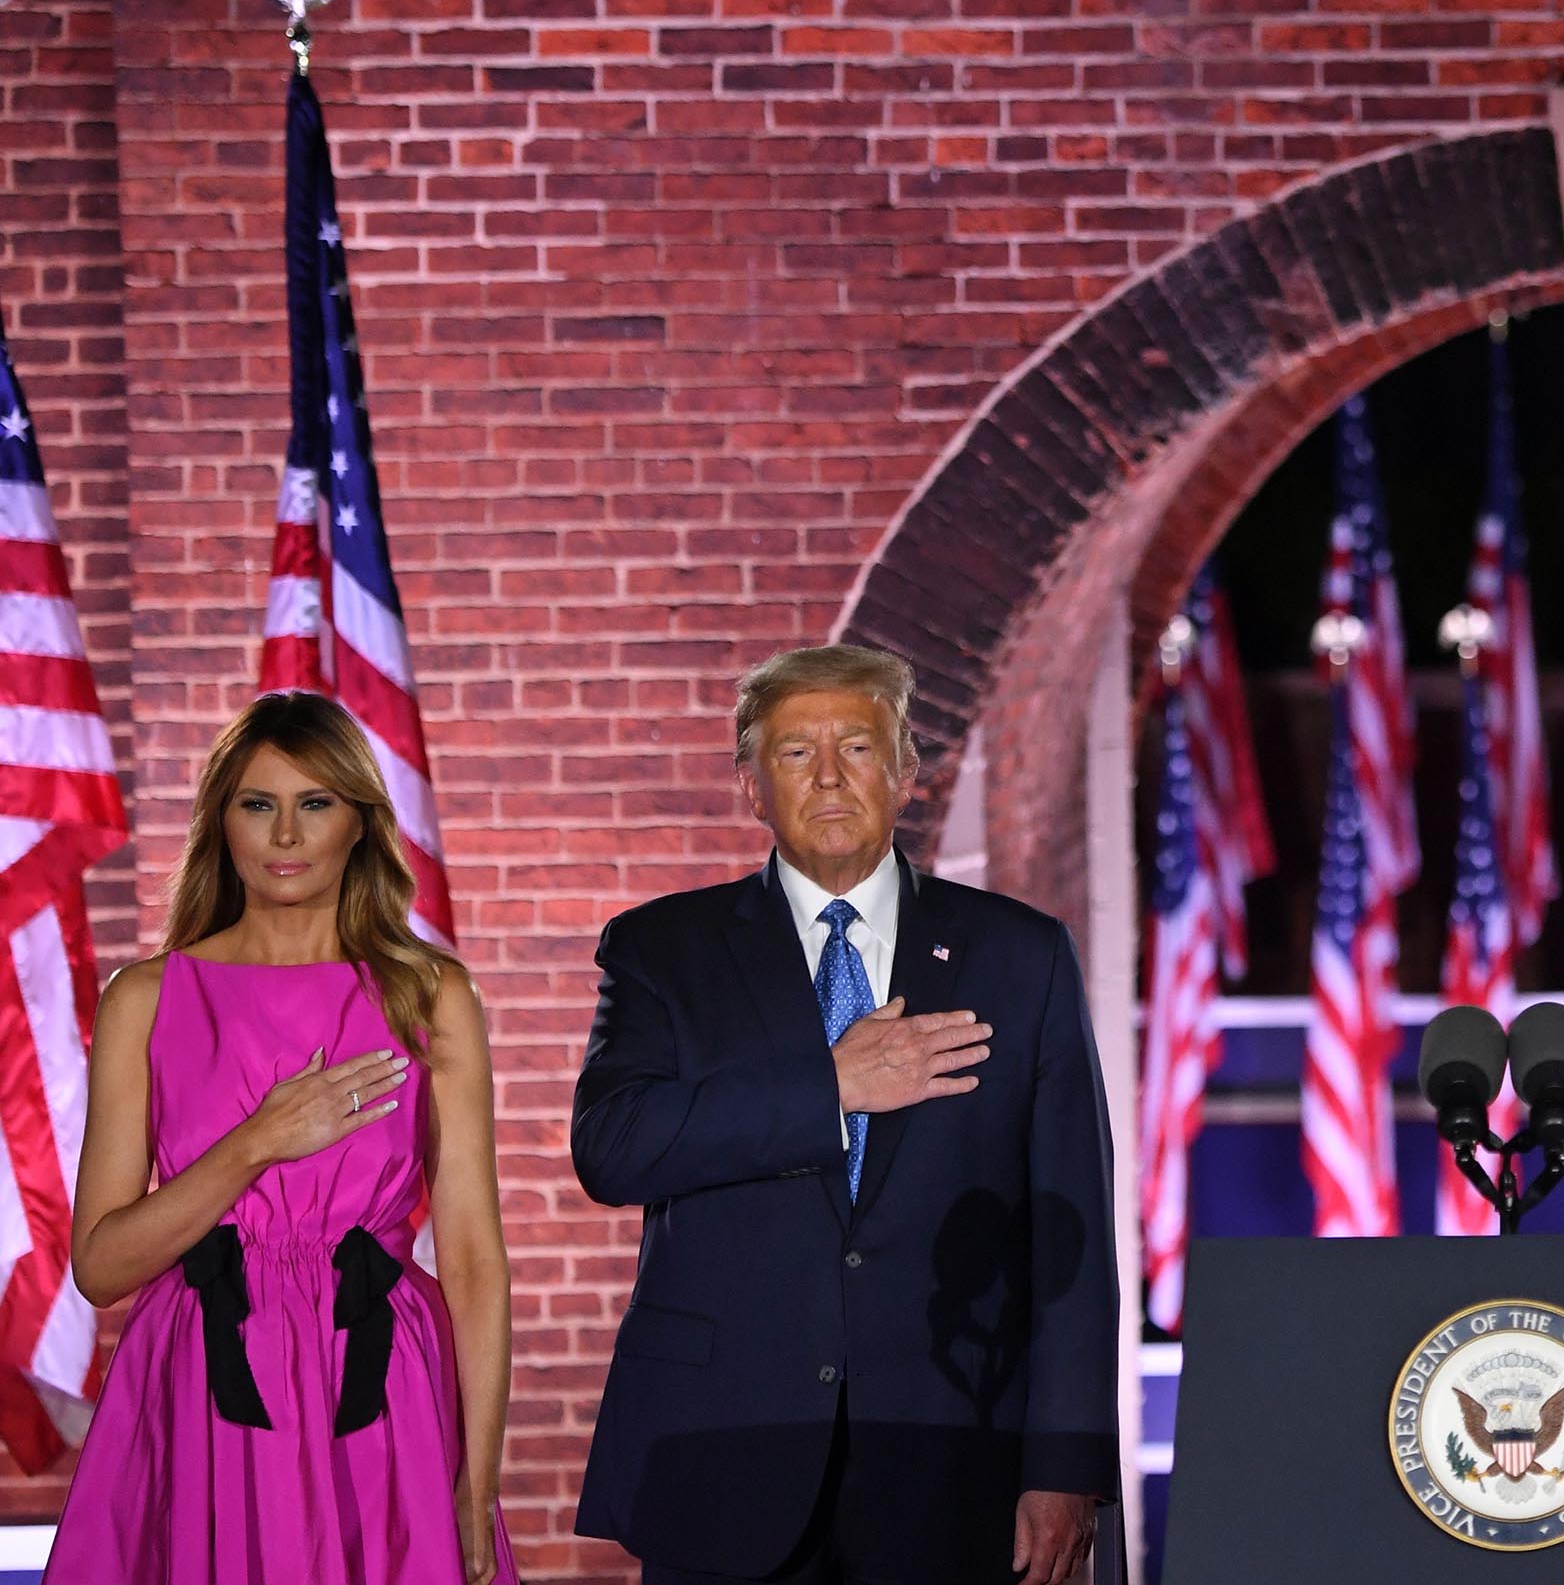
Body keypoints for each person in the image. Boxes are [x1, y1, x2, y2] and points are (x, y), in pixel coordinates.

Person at [572, 644, 1118, 1585]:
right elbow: (613, 1150)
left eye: (857, 747)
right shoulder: (664, 948)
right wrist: (830, 1088)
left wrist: (1065, 1465)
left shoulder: (1020, 956)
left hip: (952, 1457)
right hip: (727, 1451)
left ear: (905, 772)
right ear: (752, 786)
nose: (827, 775)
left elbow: (1073, 1232)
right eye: (794, 753)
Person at [49, 691, 514, 1585]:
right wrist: (255, 1142)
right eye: (258, 804)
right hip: (202, 1389)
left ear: (360, 825)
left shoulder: (430, 996)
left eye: (316, 804)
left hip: (379, 1383)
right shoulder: (145, 999)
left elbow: (472, 1259)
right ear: (222, 822)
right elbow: (102, 1267)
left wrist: (475, 1479)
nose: (287, 836)